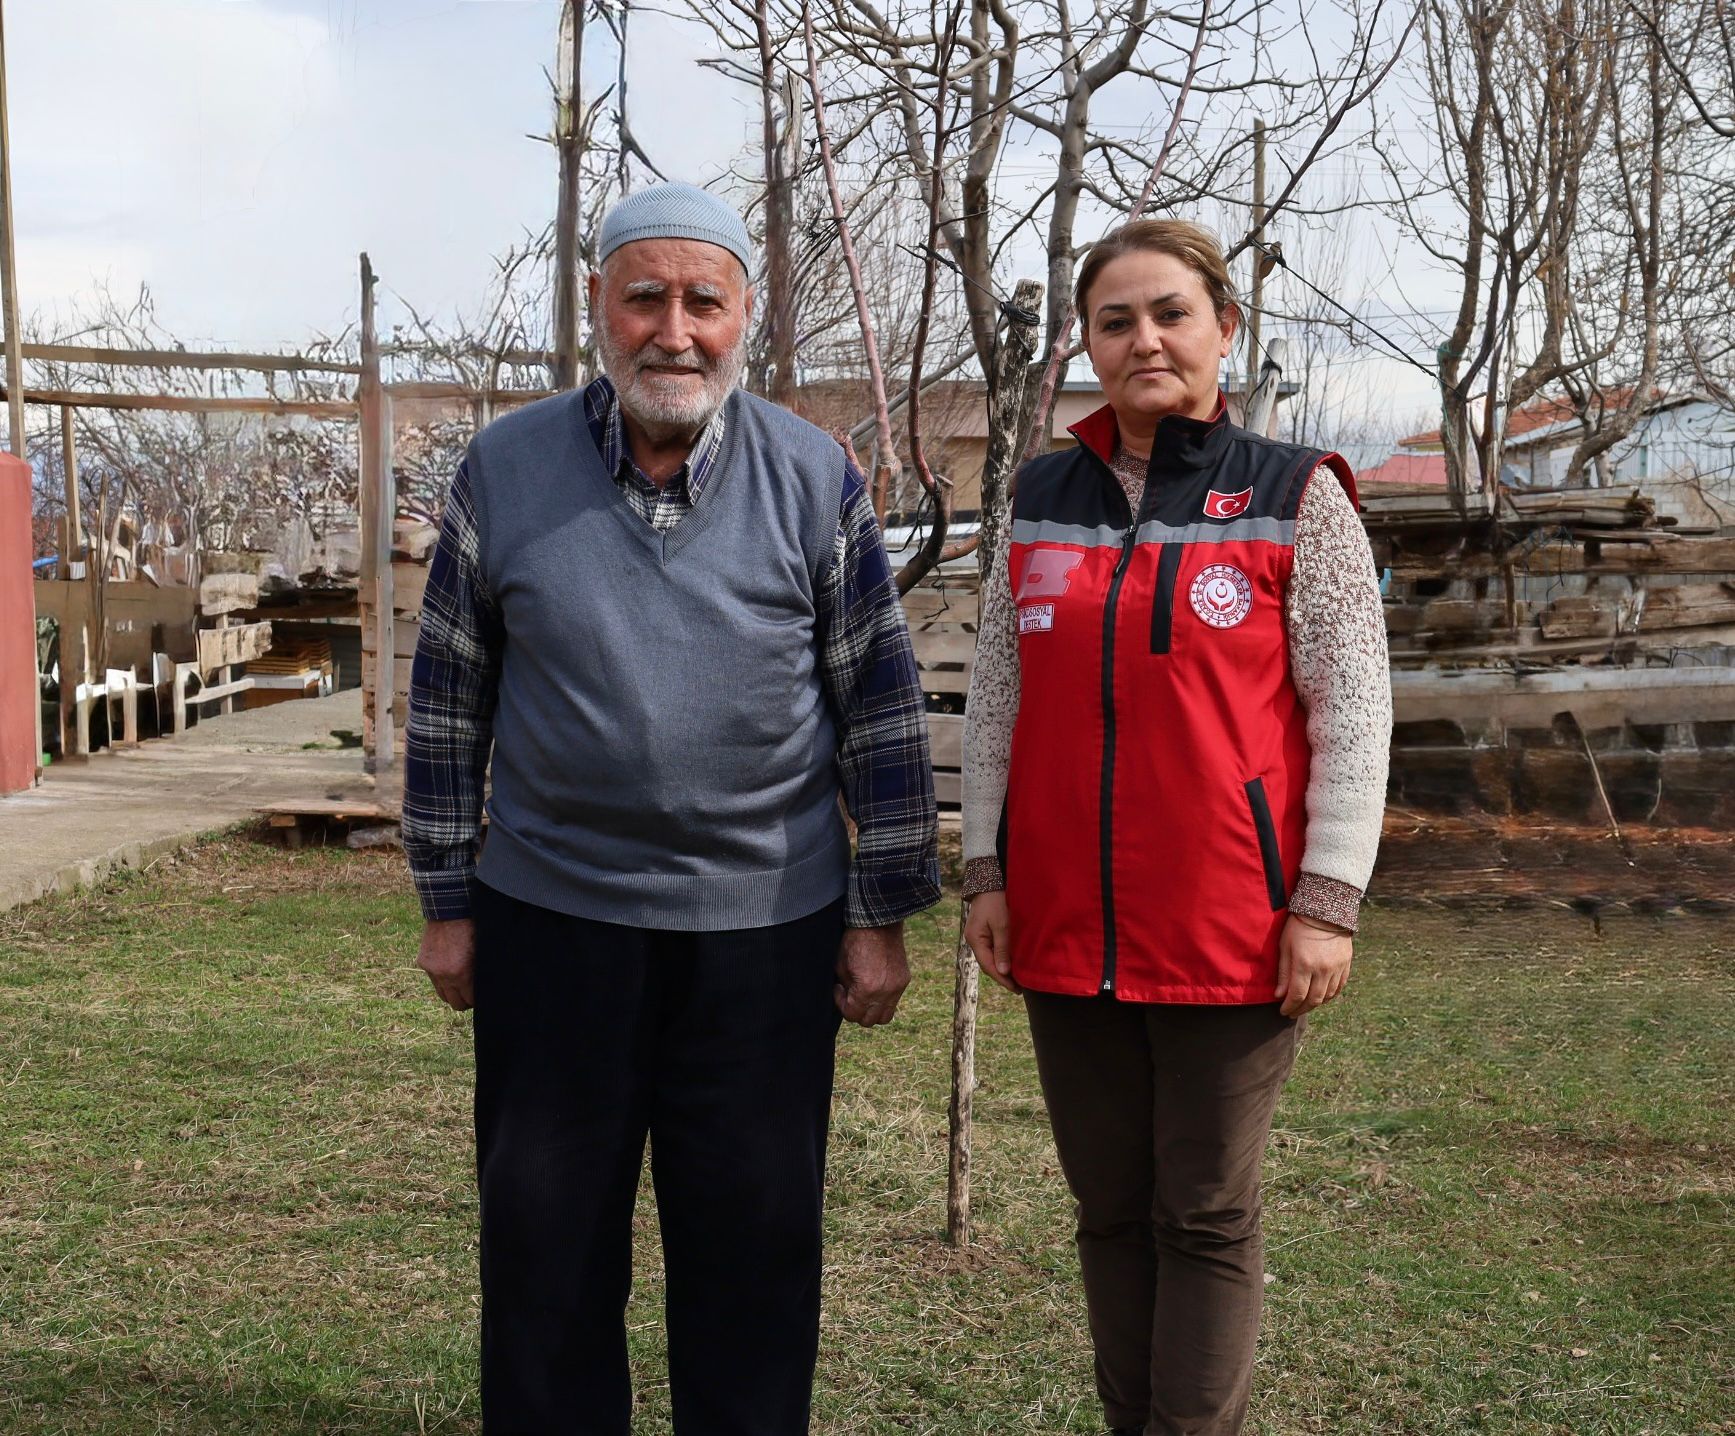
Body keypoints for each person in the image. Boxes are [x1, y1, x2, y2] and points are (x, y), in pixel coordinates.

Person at [401, 182, 941, 1434]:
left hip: (764, 930)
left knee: (752, 1251)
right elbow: (448, 694)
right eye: (644, 295)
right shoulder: (506, 465)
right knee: (544, 1251)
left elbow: (878, 698)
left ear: (746, 311)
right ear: (598, 303)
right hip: (552, 921)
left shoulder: (813, 475)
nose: (674, 329)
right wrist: (444, 895)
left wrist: (879, 908)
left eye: (705, 299)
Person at [961, 218, 1391, 1436]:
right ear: (1087, 344)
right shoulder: (1038, 498)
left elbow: (1353, 704)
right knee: (1106, 1207)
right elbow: (1000, 688)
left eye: (1169, 314)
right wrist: (985, 865)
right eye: (1114, 320)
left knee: (1201, 1211)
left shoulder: (1297, 494)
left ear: (1222, 331)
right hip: (1064, 922)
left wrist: (1324, 899)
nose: (1143, 338)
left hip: (1232, 927)